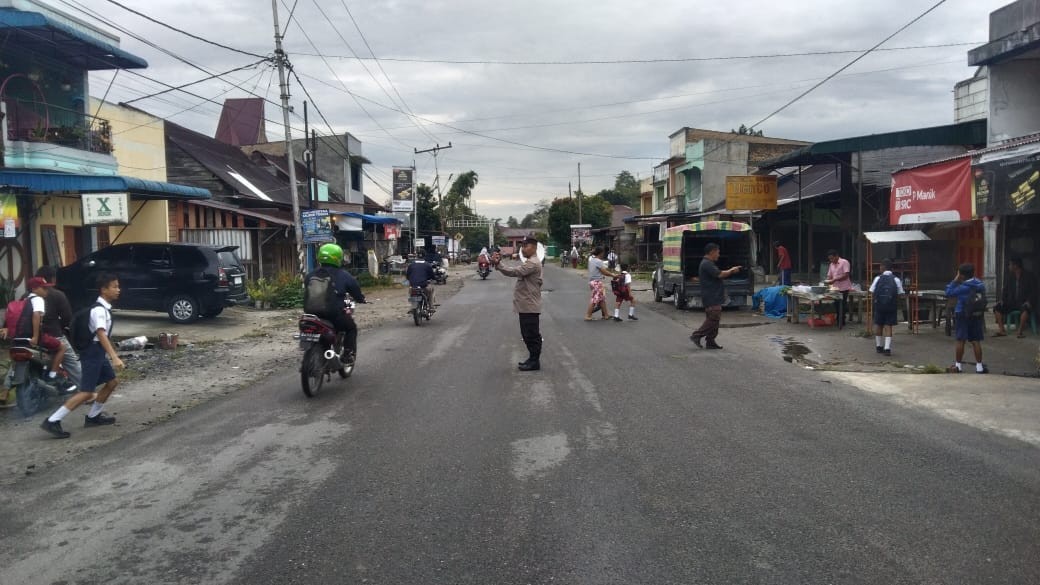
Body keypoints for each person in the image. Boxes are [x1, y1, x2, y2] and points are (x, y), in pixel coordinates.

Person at [40, 272, 125, 439]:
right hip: (92, 352)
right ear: (103, 290)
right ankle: (52, 420)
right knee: (86, 392)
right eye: (114, 287)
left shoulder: (104, 309)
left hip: (98, 351)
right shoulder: (98, 311)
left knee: (112, 382)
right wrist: (114, 357)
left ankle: (93, 416)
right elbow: (100, 334)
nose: (118, 290)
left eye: (118, 286)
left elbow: (104, 336)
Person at [305, 243, 366, 361]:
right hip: (333, 315)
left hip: (311, 314)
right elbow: (355, 290)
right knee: (351, 328)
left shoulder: (310, 275)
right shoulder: (343, 275)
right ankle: (348, 354)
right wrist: (361, 299)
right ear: (338, 258)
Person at [493, 236, 543, 371]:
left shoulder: (532, 263)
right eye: (522, 246)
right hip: (526, 304)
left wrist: (499, 265)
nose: (523, 249)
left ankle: (534, 361)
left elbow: (515, 272)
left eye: (525, 246)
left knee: (531, 334)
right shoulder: (530, 261)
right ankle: (532, 359)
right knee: (527, 334)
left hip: (530, 305)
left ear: (533, 247)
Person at [35, 266, 81, 389]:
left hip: (30, 338)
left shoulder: (26, 294)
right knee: (72, 363)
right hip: (53, 335)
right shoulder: (57, 295)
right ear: (53, 279)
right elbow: (67, 318)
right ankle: (86, 390)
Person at [690, 243, 742, 350]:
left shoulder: (708, 263)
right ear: (712, 252)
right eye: (718, 252)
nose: (719, 254)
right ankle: (696, 335)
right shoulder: (707, 264)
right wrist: (732, 270)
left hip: (713, 295)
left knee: (714, 319)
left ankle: (710, 341)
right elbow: (720, 274)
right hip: (711, 295)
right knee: (713, 318)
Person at [945, 263, 987, 374]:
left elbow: (948, 292)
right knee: (976, 341)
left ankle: (958, 365)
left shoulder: (963, 287)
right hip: (975, 314)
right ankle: (979, 367)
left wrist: (955, 280)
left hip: (962, 314)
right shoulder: (980, 283)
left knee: (960, 340)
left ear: (962, 275)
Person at [993, 257, 1036, 338]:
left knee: (1026, 309)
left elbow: (1033, 291)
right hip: (1011, 302)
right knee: (997, 307)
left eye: (1010, 265)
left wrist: (1029, 301)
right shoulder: (1010, 277)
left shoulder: (1029, 276)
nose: (1009, 267)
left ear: (1015, 266)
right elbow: (1004, 290)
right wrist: (1002, 300)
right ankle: (1002, 330)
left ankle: (1019, 332)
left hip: (1024, 302)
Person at [868, 259, 904, 356]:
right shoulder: (896, 279)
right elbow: (901, 293)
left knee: (879, 325)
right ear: (892, 269)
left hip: (879, 306)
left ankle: (879, 346)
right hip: (891, 306)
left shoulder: (877, 278)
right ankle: (887, 348)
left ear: (882, 268)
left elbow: (871, 291)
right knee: (888, 326)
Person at [584, 246, 617, 321]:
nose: (604, 254)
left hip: (592, 281)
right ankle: (588, 315)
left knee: (601, 299)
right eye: (603, 252)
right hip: (597, 282)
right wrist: (613, 275)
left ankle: (606, 315)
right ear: (601, 253)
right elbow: (604, 271)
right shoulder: (598, 261)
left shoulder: (592, 260)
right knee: (594, 299)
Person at [825, 249, 853, 329]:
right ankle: (839, 320)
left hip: (844, 287)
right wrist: (827, 280)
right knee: (836, 304)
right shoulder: (831, 264)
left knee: (842, 304)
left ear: (836, 256)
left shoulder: (844, 262)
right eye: (830, 259)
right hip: (835, 288)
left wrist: (835, 279)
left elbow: (846, 275)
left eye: (832, 258)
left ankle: (841, 321)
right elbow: (829, 275)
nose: (831, 260)